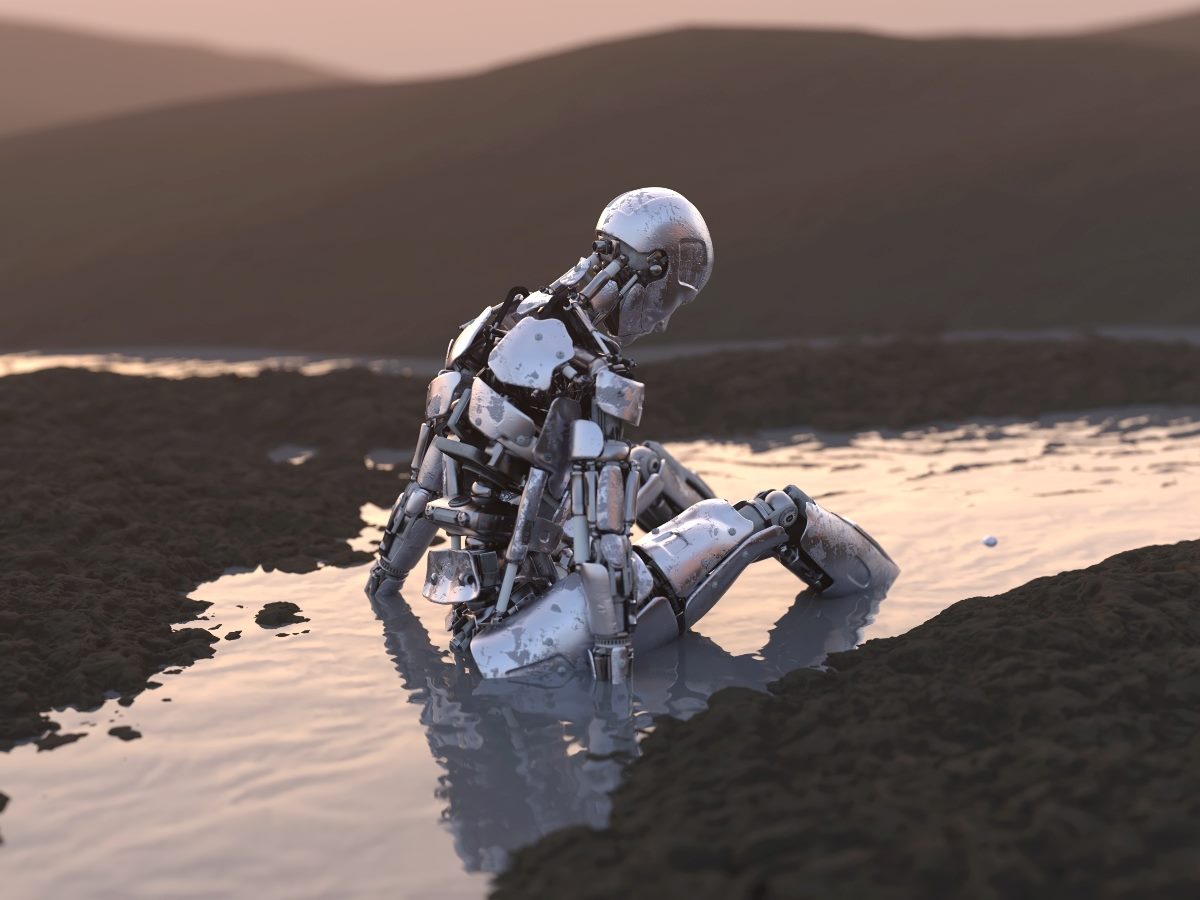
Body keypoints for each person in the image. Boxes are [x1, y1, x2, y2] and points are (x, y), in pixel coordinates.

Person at [366, 187, 897, 682]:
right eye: (671, 295)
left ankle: (720, 576)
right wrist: (613, 687)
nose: (664, 319)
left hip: (470, 627)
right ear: (655, 269)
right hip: (536, 642)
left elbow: (418, 495)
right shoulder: (592, 370)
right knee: (781, 512)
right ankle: (885, 594)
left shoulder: (487, 331)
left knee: (651, 467)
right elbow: (603, 552)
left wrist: (383, 589)